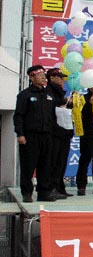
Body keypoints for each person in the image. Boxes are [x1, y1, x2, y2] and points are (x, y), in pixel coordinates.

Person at [14, 65, 59, 202]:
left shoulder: (49, 95)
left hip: (47, 135)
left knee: (45, 165)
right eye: (40, 75)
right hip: (30, 136)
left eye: (44, 75)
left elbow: (53, 116)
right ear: (32, 77)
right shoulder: (25, 95)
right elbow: (19, 116)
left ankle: (43, 192)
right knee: (28, 165)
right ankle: (27, 193)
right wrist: (20, 134)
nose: (43, 78)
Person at [46, 67, 74, 198]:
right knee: (54, 161)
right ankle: (51, 187)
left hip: (64, 132)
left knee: (62, 161)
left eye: (63, 78)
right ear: (51, 78)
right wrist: (60, 105)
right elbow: (49, 111)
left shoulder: (60, 93)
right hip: (54, 133)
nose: (62, 80)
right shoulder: (48, 93)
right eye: (60, 77)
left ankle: (59, 186)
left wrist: (68, 103)